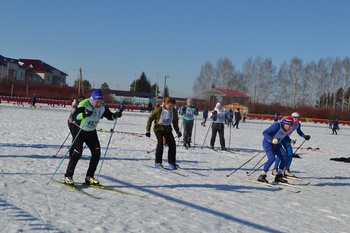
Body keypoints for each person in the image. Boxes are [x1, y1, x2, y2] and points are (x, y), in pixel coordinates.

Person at [64, 89, 122, 185]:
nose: (99, 103)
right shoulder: (85, 103)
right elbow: (75, 117)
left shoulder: (102, 106)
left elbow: (110, 116)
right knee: (77, 153)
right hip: (79, 129)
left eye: (100, 101)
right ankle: (68, 176)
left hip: (91, 131)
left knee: (97, 153)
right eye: (97, 101)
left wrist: (116, 115)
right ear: (92, 99)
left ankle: (89, 176)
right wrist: (84, 114)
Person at [146, 97, 182, 169]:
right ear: (165, 104)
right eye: (169, 105)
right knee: (160, 143)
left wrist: (178, 131)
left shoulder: (173, 111)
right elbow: (150, 118)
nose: (170, 107)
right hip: (158, 128)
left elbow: (175, 122)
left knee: (172, 144)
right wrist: (148, 130)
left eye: (172, 105)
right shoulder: (159, 110)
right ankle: (158, 162)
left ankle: (172, 162)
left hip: (167, 129)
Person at [272, 112, 311, 177]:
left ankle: (286, 170)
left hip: (286, 139)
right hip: (279, 138)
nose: (297, 120)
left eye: (299, 118)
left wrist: (304, 136)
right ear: (292, 117)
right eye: (296, 118)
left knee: (290, 154)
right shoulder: (285, 121)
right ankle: (275, 169)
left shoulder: (297, 124)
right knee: (280, 154)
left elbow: (299, 131)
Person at [257, 116, 294, 183]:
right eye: (290, 126)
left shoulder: (286, 129)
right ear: (286, 124)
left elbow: (284, 135)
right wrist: (271, 139)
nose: (291, 128)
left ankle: (279, 176)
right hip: (268, 143)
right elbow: (265, 132)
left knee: (285, 157)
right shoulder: (277, 126)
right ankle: (262, 175)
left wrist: (290, 141)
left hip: (276, 144)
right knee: (271, 158)